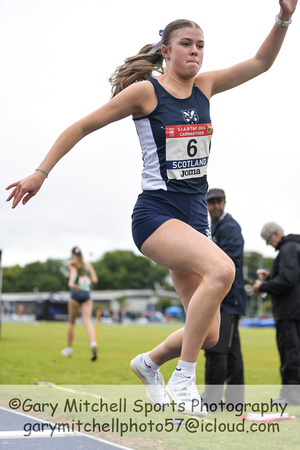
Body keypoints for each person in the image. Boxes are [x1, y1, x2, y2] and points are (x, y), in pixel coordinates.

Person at [5, 1, 298, 416]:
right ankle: (184, 378)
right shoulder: (147, 92)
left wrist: (284, 17)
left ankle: (148, 362)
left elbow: (261, 62)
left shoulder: (206, 87)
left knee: (211, 332)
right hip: (157, 215)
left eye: (201, 45)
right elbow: (82, 125)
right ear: (166, 50)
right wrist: (41, 172)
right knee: (224, 270)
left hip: (195, 219)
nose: (195, 52)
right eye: (186, 44)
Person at [202, 188, 246, 408]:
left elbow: (229, 261)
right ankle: (233, 400)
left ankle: (213, 399)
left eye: (218, 202)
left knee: (217, 349)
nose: (215, 206)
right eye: (211, 202)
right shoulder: (214, 227)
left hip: (228, 299)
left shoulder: (229, 227)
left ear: (225, 203)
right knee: (228, 351)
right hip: (223, 297)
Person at [251, 222, 300, 405]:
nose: (269, 244)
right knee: (294, 352)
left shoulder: (287, 249)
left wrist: (262, 286)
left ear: (276, 233)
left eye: (268, 240)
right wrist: (270, 276)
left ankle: (291, 396)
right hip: (295, 310)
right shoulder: (294, 246)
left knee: (290, 353)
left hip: (289, 311)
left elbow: (288, 279)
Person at [61, 247, 99, 361]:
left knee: (72, 323)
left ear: (72, 254)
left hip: (75, 294)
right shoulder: (88, 265)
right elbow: (94, 280)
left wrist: (72, 283)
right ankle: (93, 343)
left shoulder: (72, 264)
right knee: (87, 321)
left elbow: (72, 277)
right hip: (86, 295)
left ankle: (69, 349)